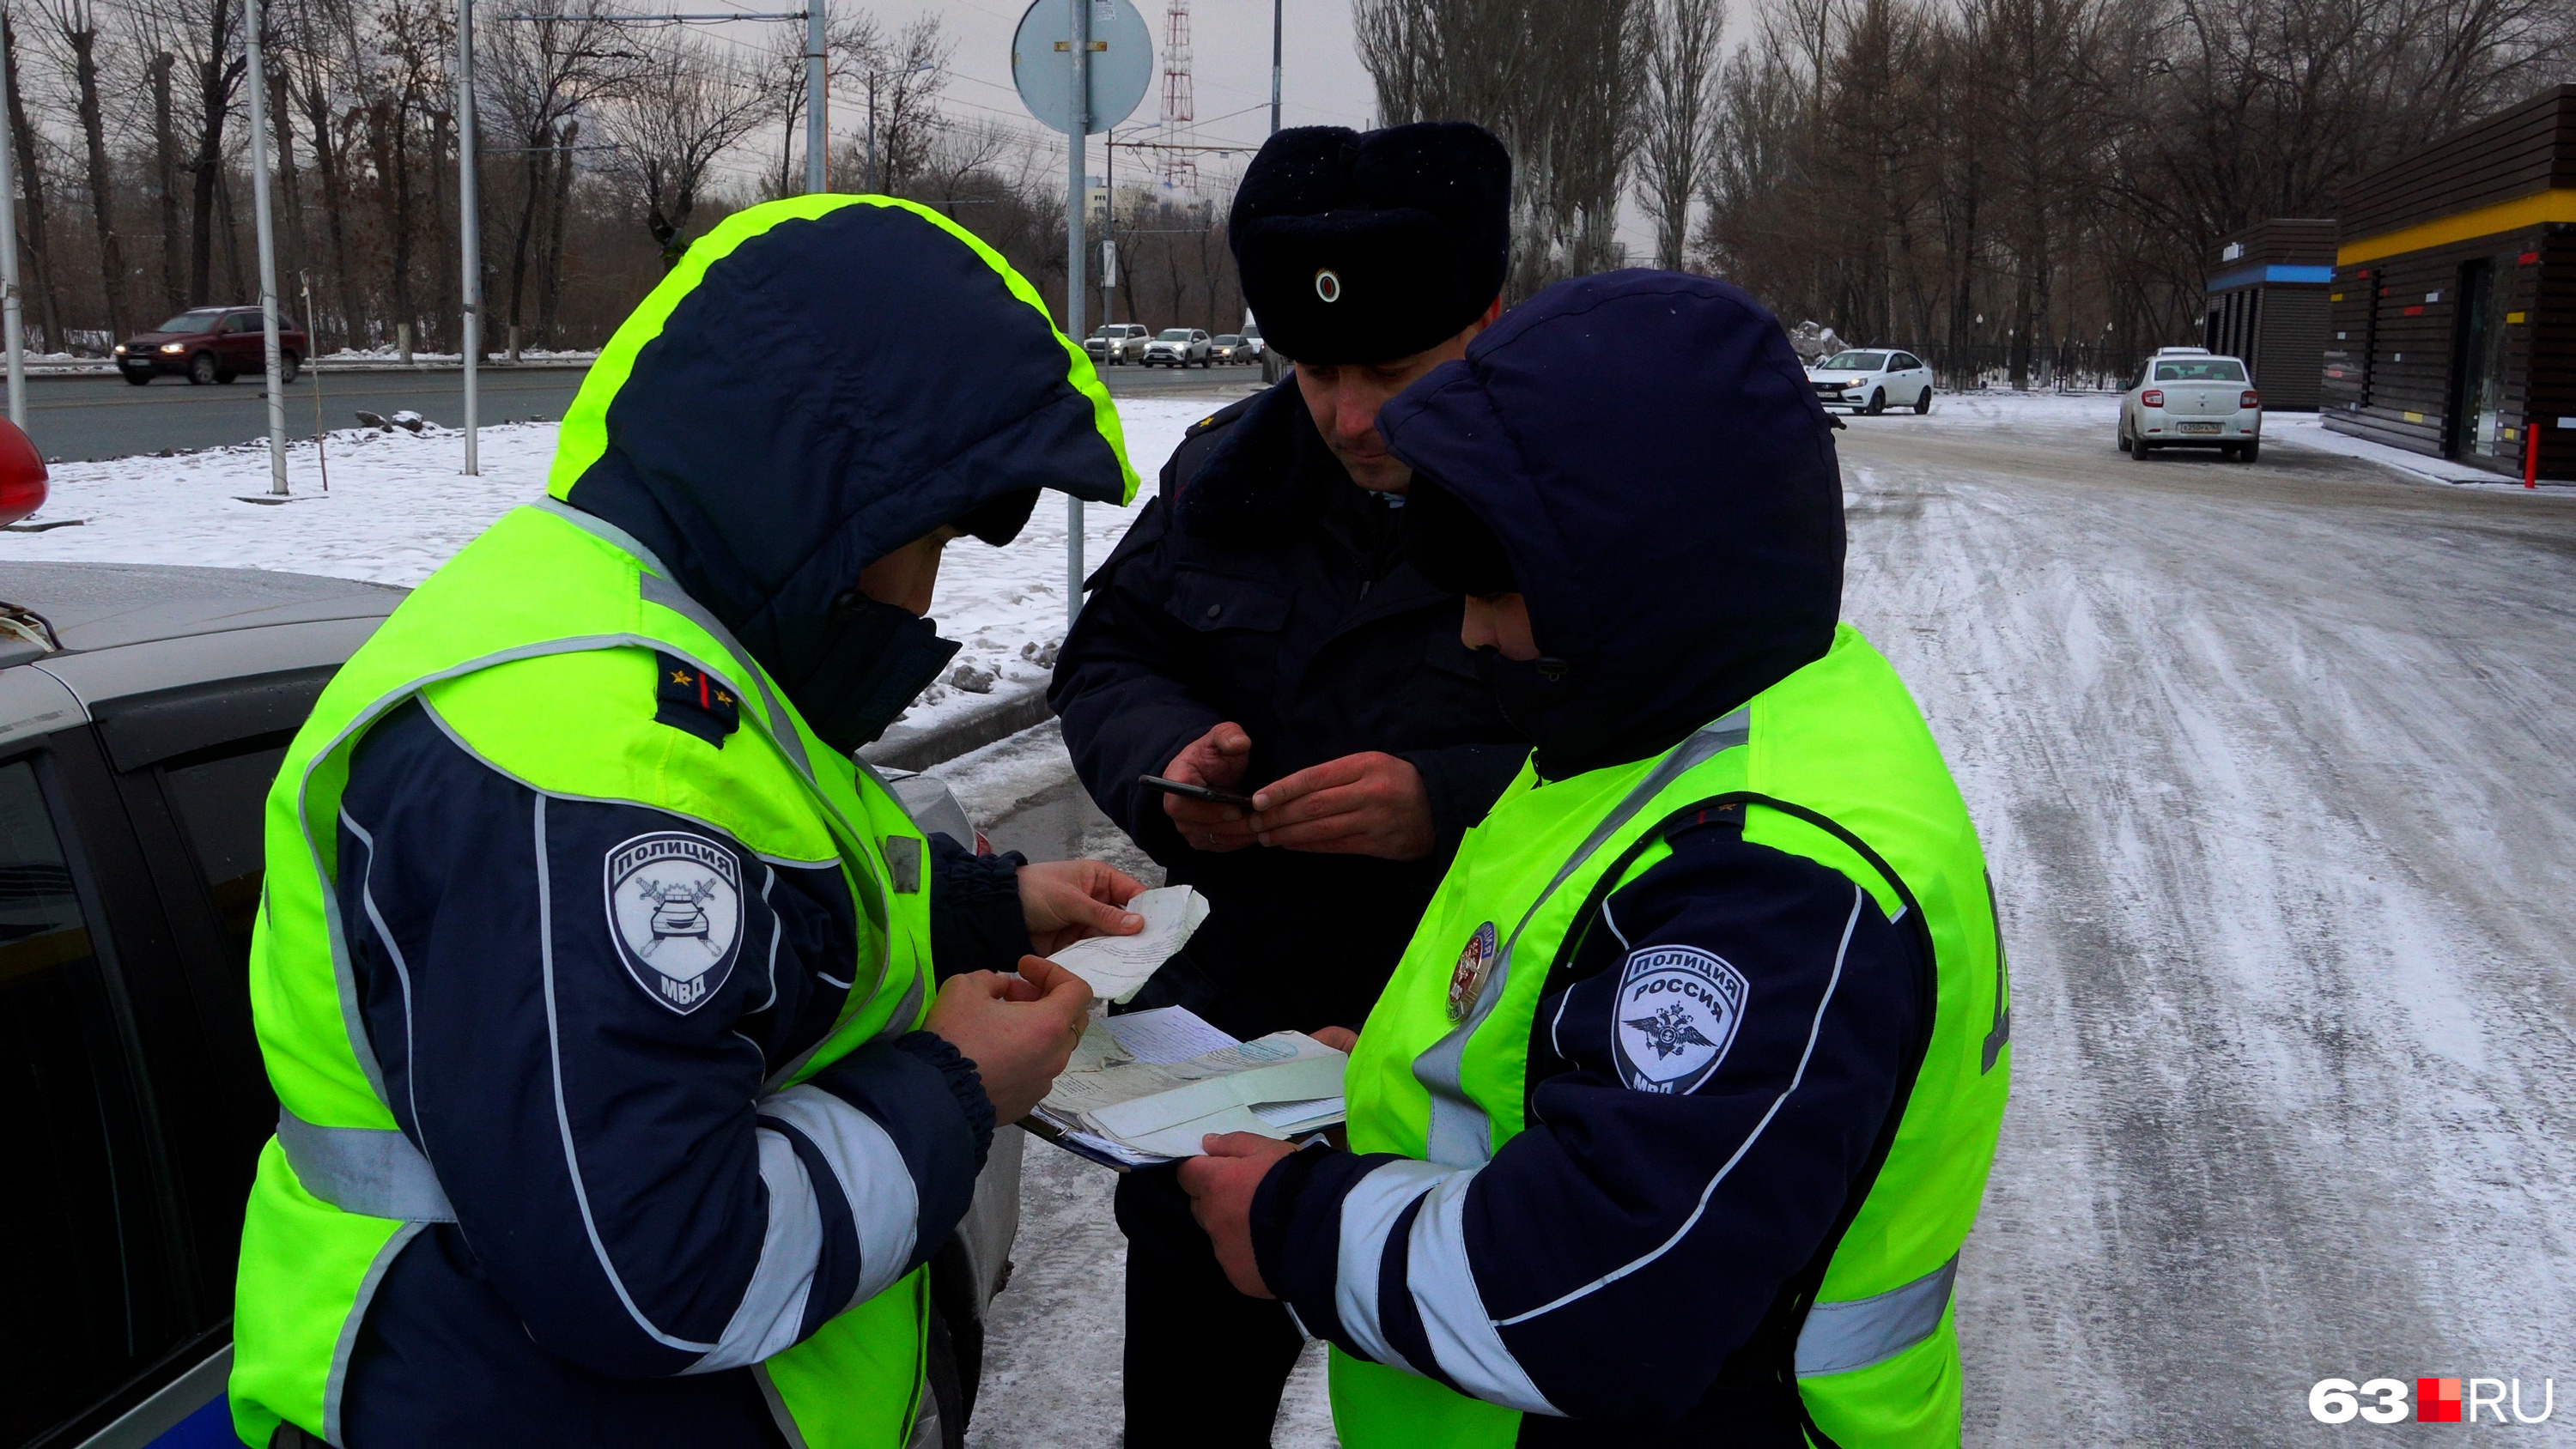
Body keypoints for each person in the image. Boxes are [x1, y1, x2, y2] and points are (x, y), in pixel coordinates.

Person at [229, 197, 1148, 1449]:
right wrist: (952, 1088)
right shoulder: (584, 759)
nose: (924, 600)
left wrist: (990, 905)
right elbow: (657, 1276)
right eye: (924, 540)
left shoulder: (651, 640)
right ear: (824, 500)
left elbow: (767, 896)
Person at [1178, 270, 2013, 1446]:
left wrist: (1292, 1229)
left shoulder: (1777, 874)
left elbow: (1610, 1293)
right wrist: (1383, 1084)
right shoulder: (1676, 710)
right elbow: (1573, 1019)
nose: (1469, 629)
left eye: (1498, 580)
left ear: (1636, 567)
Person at [1047, 122, 1528, 1445]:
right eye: (1315, 370)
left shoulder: (1570, 489)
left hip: (1474, 1068)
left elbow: (1663, 747)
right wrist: (1169, 767)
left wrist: (1446, 801)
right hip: (1236, 1050)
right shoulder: (1231, 465)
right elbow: (1111, 655)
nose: (1351, 417)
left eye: (1395, 369)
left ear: (1487, 318)